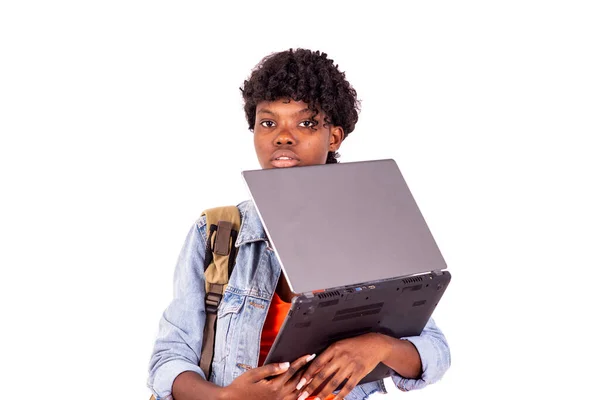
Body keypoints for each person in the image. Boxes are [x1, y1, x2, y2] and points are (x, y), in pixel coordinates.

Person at [148, 48, 451, 400]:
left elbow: (434, 351)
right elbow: (169, 358)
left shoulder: (371, 229)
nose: (283, 136)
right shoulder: (217, 232)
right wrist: (225, 398)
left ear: (334, 137)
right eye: (268, 122)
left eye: (305, 123)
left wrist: (377, 347)